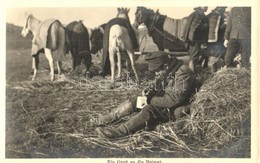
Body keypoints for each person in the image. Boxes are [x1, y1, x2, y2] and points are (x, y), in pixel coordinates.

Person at [90, 51, 195, 139]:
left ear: (166, 66)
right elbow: (160, 82)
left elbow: (174, 99)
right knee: (137, 99)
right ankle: (105, 119)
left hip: (176, 109)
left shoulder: (183, 73)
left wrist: (150, 99)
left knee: (149, 109)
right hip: (167, 102)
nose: (156, 74)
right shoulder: (168, 70)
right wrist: (148, 91)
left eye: (157, 71)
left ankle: (118, 133)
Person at [183, 6, 209, 72]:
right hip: (194, 40)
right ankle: (191, 73)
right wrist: (206, 26)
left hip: (195, 39)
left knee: (194, 57)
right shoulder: (197, 15)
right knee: (193, 57)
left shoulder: (198, 14)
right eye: (205, 5)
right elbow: (192, 28)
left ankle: (192, 72)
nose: (207, 7)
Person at [206, 7, 227, 73]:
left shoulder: (210, 15)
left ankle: (211, 72)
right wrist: (224, 25)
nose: (224, 10)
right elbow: (218, 29)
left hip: (210, 39)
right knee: (216, 55)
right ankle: (213, 73)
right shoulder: (219, 16)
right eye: (224, 9)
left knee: (212, 56)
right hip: (217, 40)